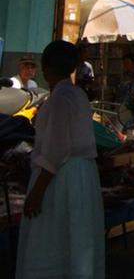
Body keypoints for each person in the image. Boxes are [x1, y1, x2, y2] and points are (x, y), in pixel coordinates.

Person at [15, 41, 103, 278]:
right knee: (75, 241)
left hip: (61, 179)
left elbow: (55, 150)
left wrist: (37, 192)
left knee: (51, 242)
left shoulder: (60, 99)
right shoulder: (77, 95)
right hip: (80, 176)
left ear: (47, 68)